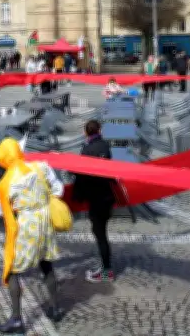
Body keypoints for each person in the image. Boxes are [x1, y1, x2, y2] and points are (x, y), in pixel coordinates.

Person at [0, 138, 64, 333]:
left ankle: (17, 319)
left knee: (12, 271)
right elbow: (58, 190)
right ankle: (55, 308)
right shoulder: (41, 167)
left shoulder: (6, 182)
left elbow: (2, 209)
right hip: (45, 220)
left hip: (26, 224)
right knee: (46, 263)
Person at [74, 120, 117, 283]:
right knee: (100, 232)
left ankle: (107, 272)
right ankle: (105, 266)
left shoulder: (87, 150)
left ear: (86, 133)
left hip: (96, 199)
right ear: (99, 130)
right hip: (107, 196)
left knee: (100, 235)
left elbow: (83, 175)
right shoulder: (105, 146)